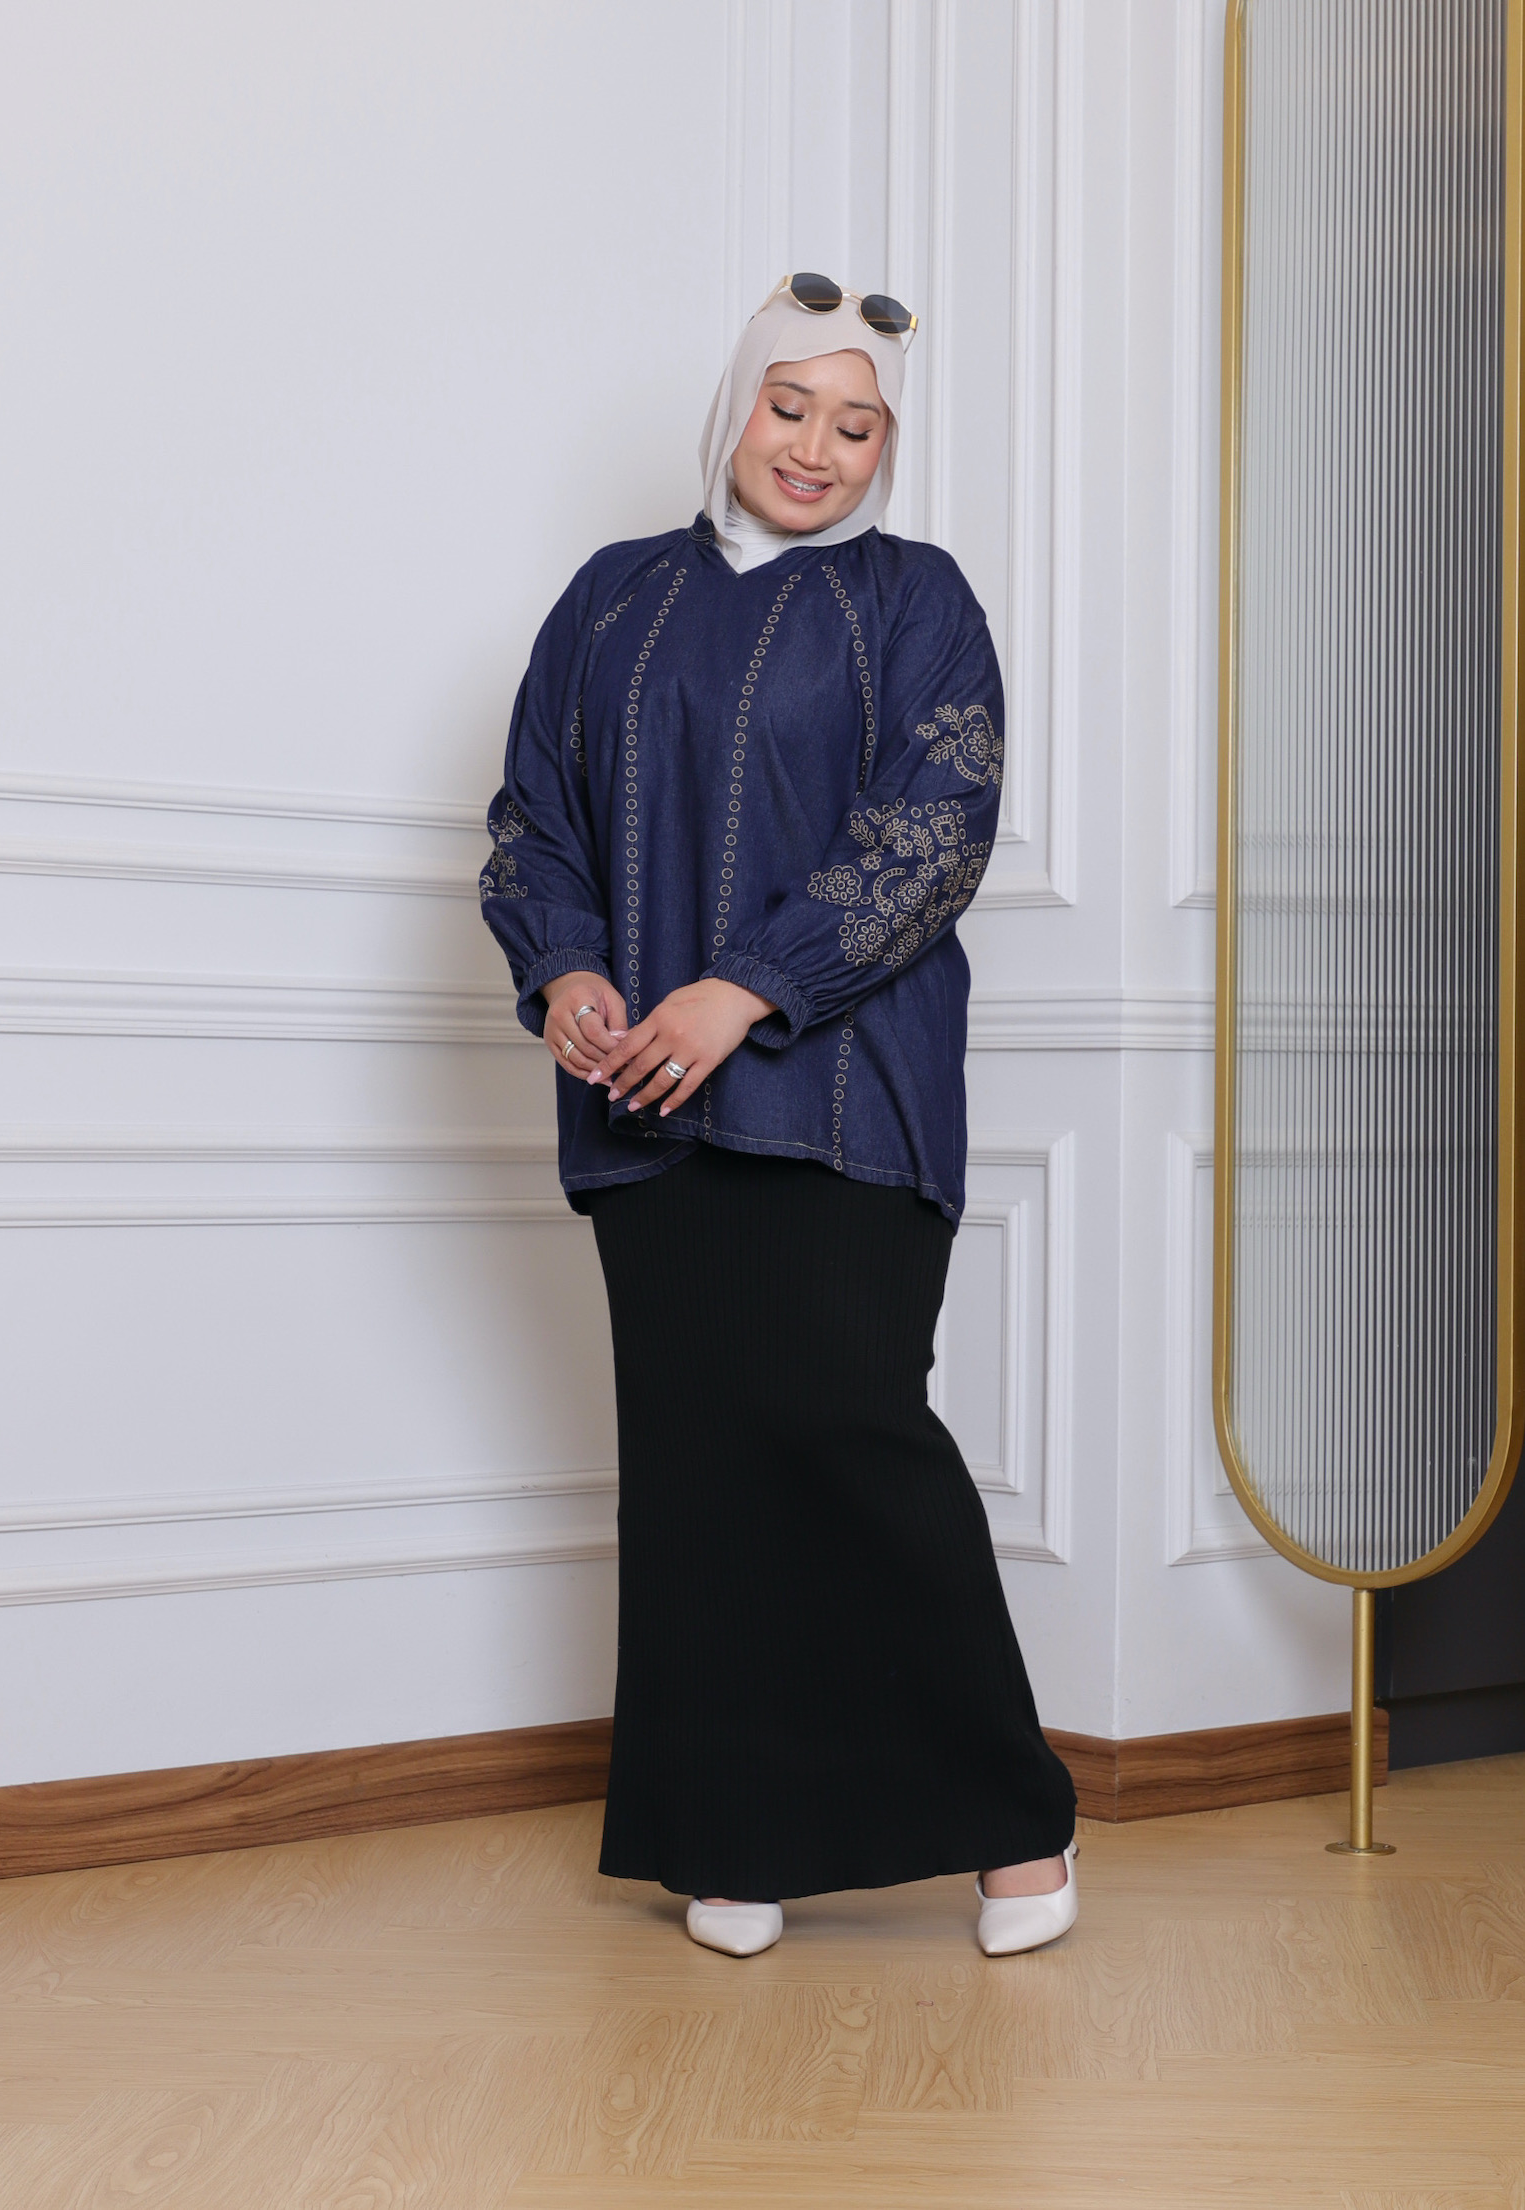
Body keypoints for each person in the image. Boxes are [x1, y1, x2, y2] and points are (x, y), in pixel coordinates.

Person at [480, 275, 1078, 1959]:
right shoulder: (613, 597)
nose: (814, 447)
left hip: (846, 1093)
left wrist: (744, 986)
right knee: (699, 1476)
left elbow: (933, 832)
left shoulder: (916, 600)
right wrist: (568, 973)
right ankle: (731, 1837)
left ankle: (1015, 1821)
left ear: (887, 444)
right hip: (645, 1107)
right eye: (788, 406)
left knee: (848, 1428)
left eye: (854, 423)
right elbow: (534, 821)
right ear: (735, 406)